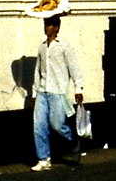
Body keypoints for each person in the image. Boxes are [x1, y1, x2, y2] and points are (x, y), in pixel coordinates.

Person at [31, 15, 84, 171]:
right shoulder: (41, 46)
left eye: (50, 25)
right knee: (39, 126)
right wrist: (34, 93)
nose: (47, 28)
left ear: (56, 28)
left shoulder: (64, 46)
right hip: (42, 91)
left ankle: (73, 140)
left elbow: (73, 67)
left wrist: (78, 88)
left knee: (57, 124)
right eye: (45, 25)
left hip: (58, 91)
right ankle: (43, 159)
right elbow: (38, 70)